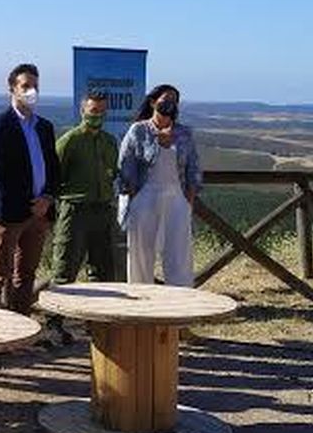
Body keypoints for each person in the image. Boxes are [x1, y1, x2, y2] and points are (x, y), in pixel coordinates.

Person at [0, 62, 60, 314]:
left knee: (26, 274)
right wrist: (29, 202)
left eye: (35, 86)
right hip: (10, 213)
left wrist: (47, 198)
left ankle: (20, 327)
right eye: (25, 86)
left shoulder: (44, 127)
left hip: (40, 213)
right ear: (12, 89)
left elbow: (53, 167)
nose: (31, 91)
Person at [118, 83, 202, 287]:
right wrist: (134, 196)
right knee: (140, 255)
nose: (169, 104)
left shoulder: (184, 133)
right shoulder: (139, 130)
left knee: (179, 255)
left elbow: (193, 168)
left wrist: (188, 200)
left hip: (177, 199)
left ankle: (179, 305)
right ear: (153, 101)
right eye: (165, 99)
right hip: (145, 198)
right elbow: (125, 164)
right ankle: (140, 303)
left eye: (174, 100)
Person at [51, 89, 120, 285]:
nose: (97, 115)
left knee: (104, 272)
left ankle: (100, 315)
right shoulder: (70, 141)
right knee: (65, 270)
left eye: (102, 111)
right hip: (75, 210)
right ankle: (56, 315)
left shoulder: (109, 142)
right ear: (83, 111)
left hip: (103, 210)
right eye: (93, 110)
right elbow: (55, 176)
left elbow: (112, 173)